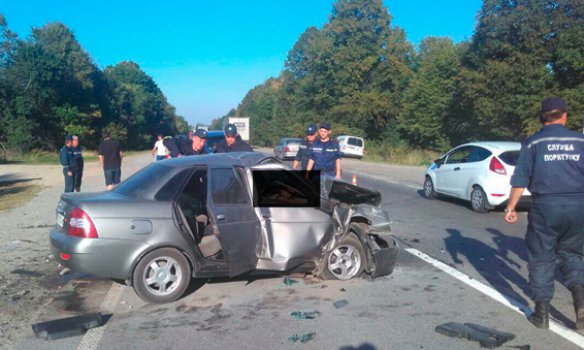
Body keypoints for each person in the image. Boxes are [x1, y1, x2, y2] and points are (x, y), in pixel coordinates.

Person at [504, 97, 584, 332]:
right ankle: (581, 305)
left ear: (542, 116)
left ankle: (541, 316)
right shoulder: (581, 141)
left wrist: (511, 208)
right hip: (578, 206)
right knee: (572, 255)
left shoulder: (533, 143)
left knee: (541, 257)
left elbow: (520, 179)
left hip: (546, 207)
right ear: (564, 116)